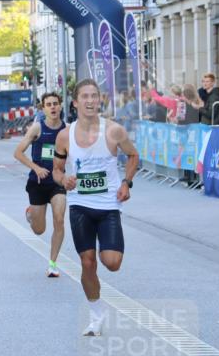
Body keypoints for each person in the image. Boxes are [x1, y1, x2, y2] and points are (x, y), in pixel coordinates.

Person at [52, 79, 139, 336]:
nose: (90, 101)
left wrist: (126, 182)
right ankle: (96, 312)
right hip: (80, 204)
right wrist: (63, 179)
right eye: (85, 96)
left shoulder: (113, 131)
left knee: (111, 262)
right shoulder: (65, 135)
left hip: (108, 205)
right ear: (75, 102)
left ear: (99, 100)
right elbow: (56, 170)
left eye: (94, 96)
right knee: (87, 262)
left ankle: (106, 256)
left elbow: (133, 156)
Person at [13, 91, 68, 277]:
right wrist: (35, 168)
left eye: (55, 103)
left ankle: (52, 264)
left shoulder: (67, 131)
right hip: (37, 182)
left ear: (60, 106)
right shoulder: (37, 128)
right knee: (39, 230)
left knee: (59, 219)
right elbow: (18, 153)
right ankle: (30, 213)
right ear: (43, 108)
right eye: (48, 104)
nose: (52, 107)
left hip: (57, 182)